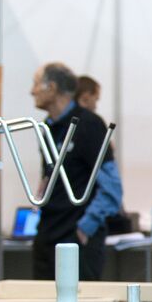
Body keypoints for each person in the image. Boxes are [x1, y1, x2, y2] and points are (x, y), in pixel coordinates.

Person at [29, 62, 123, 281]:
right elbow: (49, 176)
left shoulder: (89, 125)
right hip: (47, 234)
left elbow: (112, 186)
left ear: (51, 87)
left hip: (77, 238)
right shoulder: (47, 128)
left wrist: (85, 227)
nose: (31, 91)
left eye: (35, 84)